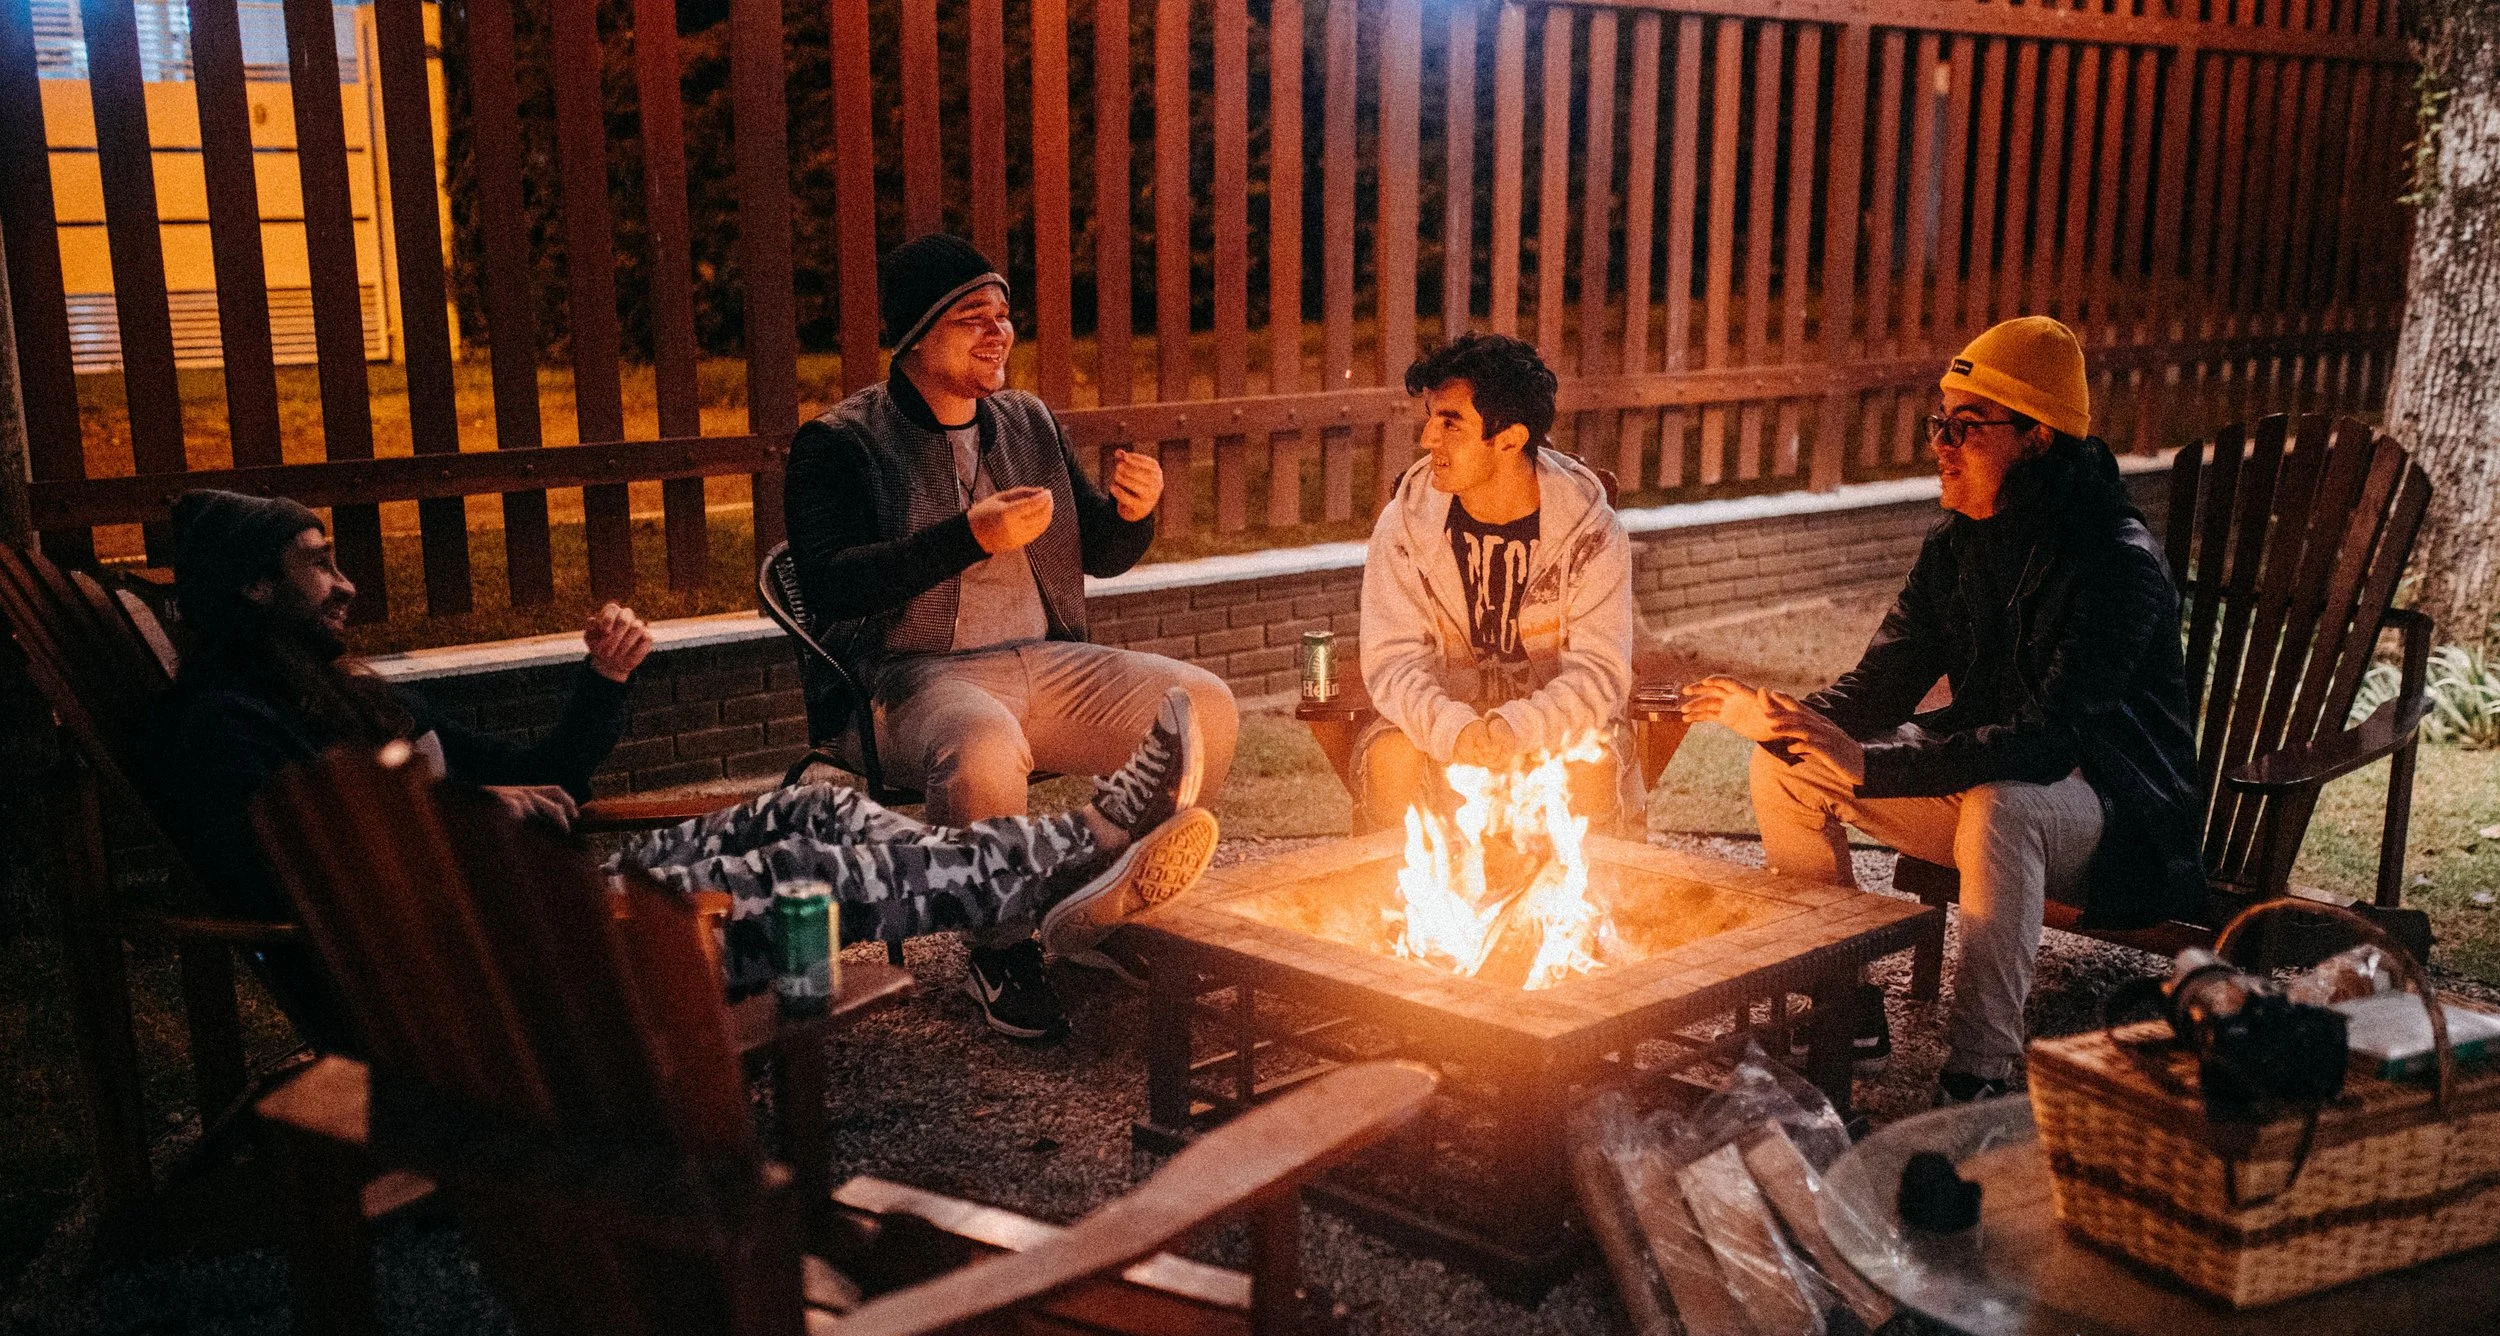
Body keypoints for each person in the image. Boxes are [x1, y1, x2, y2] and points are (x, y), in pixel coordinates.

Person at [149, 490, 1218, 1050]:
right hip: (512, 968)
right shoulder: (225, 729)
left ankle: (1058, 863)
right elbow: (302, 872)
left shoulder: (346, 693)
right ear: (250, 591)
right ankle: (1075, 852)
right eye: (318, 565)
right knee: (810, 875)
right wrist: (463, 806)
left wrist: (600, 684)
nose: (344, 586)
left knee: (813, 806)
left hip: (565, 901)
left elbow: (547, 775)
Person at [1681, 317, 2206, 1103]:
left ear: (2037, 437)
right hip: (1993, 783)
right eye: (1940, 422)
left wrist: (1875, 763)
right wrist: (1787, 720)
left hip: (2114, 817)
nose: (1941, 444)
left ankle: (1980, 1071)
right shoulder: (1958, 543)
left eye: (1967, 425)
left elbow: (2047, 740)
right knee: (1786, 770)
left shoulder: (2115, 562)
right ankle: (1844, 1006)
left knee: (2002, 808)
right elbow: (1880, 686)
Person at [784, 232, 1240, 1037]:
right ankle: (999, 949)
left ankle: (1094, 905)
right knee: (983, 743)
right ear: (918, 335)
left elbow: (1098, 549)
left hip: (1050, 661)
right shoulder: (840, 443)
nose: (999, 334)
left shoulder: (1026, 420)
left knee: (1204, 704)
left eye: (1003, 315)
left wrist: (1136, 514)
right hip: (911, 677)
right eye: (972, 318)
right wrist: (967, 537)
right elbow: (828, 583)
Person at [1357, 333, 1637, 832]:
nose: (1427, 440)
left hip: (1549, 724)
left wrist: (1516, 728)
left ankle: (1602, 906)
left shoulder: (1592, 534)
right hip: (1440, 724)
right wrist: (1455, 729)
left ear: (1510, 439)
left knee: (1590, 765)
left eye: (1451, 423)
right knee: (1389, 758)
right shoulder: (1405, 527)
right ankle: (1378, 907)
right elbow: (1393, 661)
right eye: (1430, 417)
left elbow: (1599, 674)